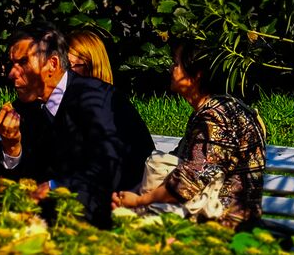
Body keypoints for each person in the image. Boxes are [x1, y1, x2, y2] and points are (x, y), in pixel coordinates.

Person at [0, 24, 154, 228]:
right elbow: (27, 174)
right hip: (55, 199)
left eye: (22, 63)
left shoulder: (94, 99)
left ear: (52, 64)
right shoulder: (31, 107)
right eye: (11, 65)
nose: (12, 74)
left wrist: (53, 187)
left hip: (107, 206)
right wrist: (12, 148)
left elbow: (106, 170)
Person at [113, 41, 267, 230]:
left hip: (224, 224)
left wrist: (139, 200)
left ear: (196, 75)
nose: (171, 69)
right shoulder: (216, 110)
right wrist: (132, 195)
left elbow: (188, 181)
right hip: (215, 216)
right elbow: (182, 162)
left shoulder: (214, 117)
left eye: (176, 64)